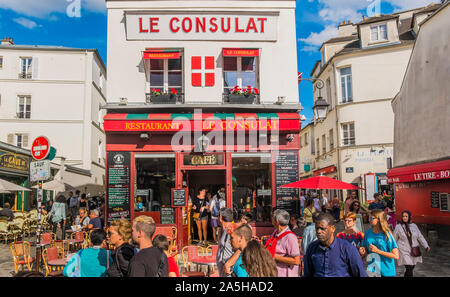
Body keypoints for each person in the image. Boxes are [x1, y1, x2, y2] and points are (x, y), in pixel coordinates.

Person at [303, 213, 367, 277]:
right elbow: (307, 274)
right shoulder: (312, 248)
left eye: (322, 228)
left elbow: (360, 274)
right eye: (317, 228)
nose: (319, 231)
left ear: (332, 229)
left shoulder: (348, 249)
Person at [359, 209, 399, 277]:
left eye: (371, 218)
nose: (369, 220)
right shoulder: (368, 233)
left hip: (386, 272)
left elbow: (396, 256)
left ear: (379, 219)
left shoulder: (387, 234)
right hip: (373, 271)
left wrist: (378, 251)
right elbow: (365, 250)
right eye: (369, 217)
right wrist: (362, 251)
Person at [393, 210, 430, 277]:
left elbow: (420, 237)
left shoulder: (414, 226)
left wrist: (426, 246)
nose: (404, 218)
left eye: (406, 216)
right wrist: (391, 249)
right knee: (409, 267)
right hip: (403, 249)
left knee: (410, 268)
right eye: (403, 216)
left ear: (410, 217)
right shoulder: (398, 227)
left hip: (414, 249)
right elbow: (394, 239)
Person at [265, 209, 300, 277]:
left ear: (277, 221)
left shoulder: (290, 237)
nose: (271, 219)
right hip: (275, 271)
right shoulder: (275, 232)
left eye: (272, 218)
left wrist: (274, 256)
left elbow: (297, 261)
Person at [217, 207, 235, 277]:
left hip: (229, 272)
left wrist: (228, 264)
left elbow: (240, 250)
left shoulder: (231, 230)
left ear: (221, 218)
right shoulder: (226, 230)